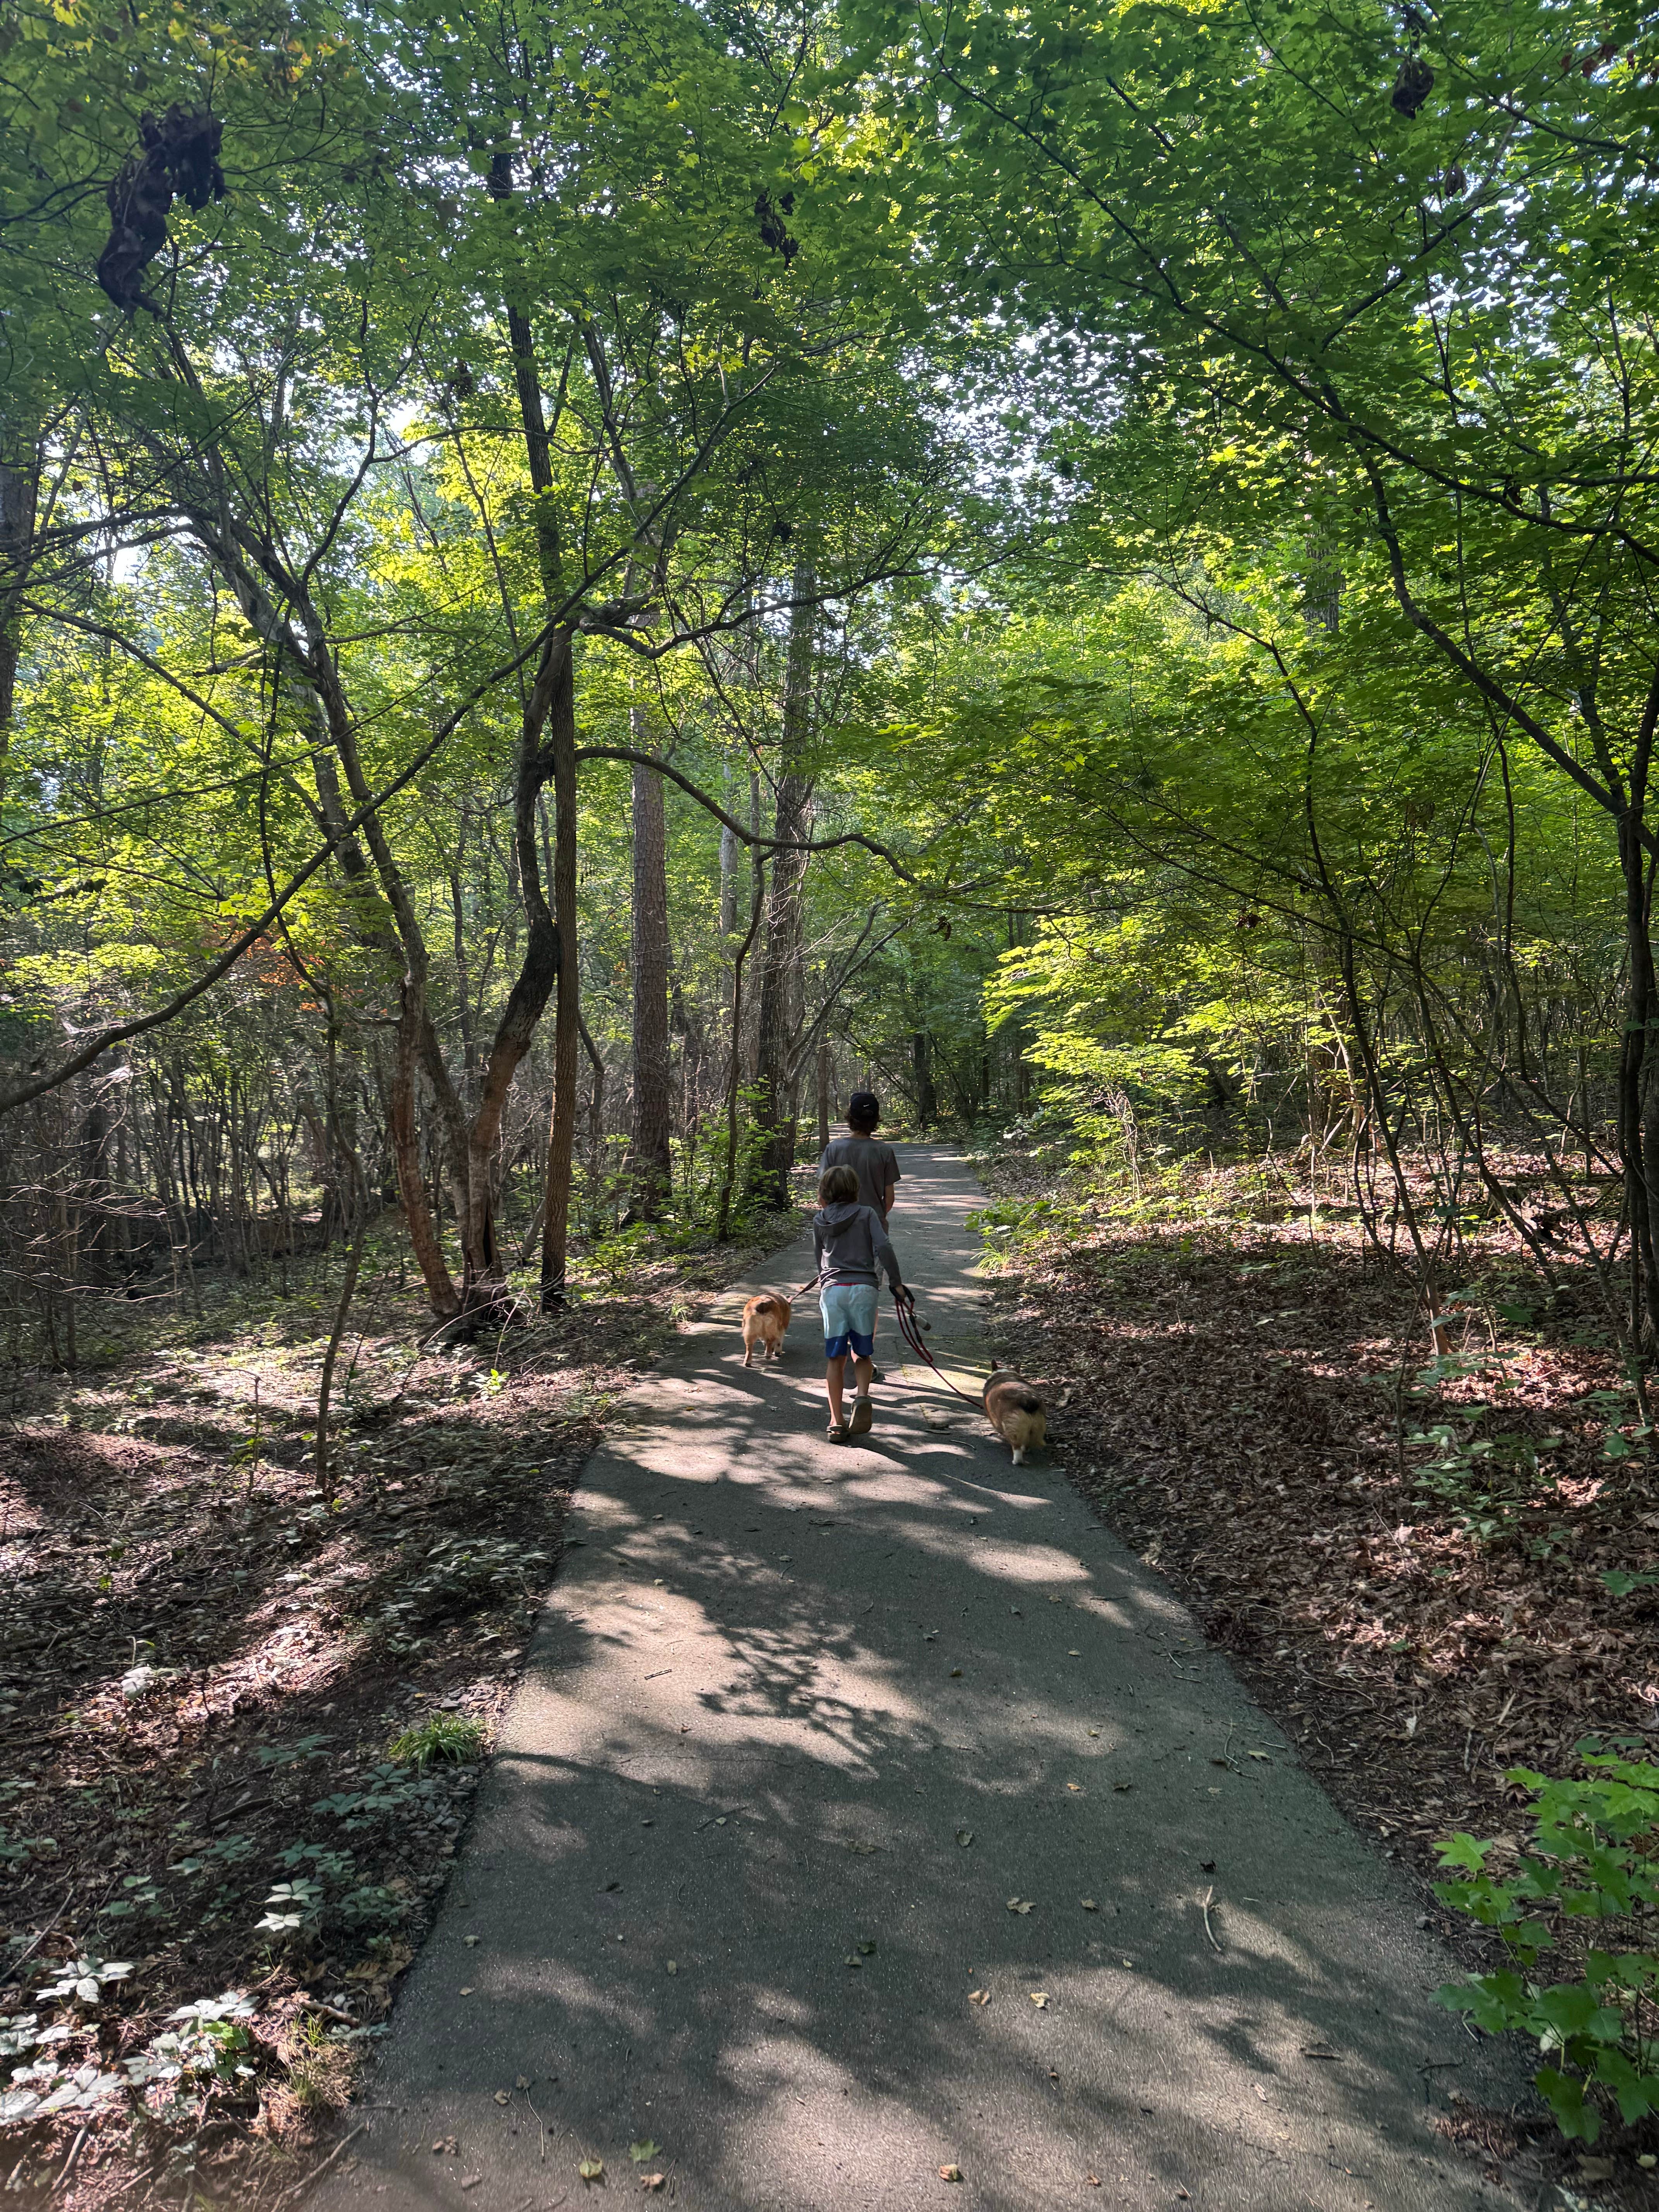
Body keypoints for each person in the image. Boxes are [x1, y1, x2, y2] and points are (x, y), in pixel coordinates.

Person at [812, 1162, 907, 1443]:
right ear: (855, 1190)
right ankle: (862, 1397)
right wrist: (896, 1282)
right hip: (864, 1289)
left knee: (835, 1357)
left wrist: (825, 1278)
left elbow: (819, 1259)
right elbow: (884, 1247)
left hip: (833, 1291)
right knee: (863, 1354)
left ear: (825, 1191)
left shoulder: (820, 1219)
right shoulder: (866, 1214)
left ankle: (836, 1422)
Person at [817, 1092, 900, 1375]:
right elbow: (889, 1199)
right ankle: (863, 1356)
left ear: (849, 1117)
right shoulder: (884, 1152)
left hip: (838, 1235)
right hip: (874, 1233)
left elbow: (822, 1197)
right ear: (876, 1120)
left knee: (838, 1290)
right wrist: (876, 1219)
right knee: (868, 1294)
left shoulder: (833, 1150)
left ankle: (840, 1356)